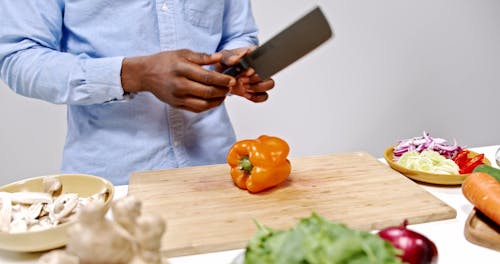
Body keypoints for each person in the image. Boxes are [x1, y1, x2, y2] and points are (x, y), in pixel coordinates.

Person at [0, 1, 275, 185]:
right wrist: (133, 74)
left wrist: (231, 65)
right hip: (114, 185)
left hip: (219, 172)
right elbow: (19, 57)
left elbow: (239, 34)